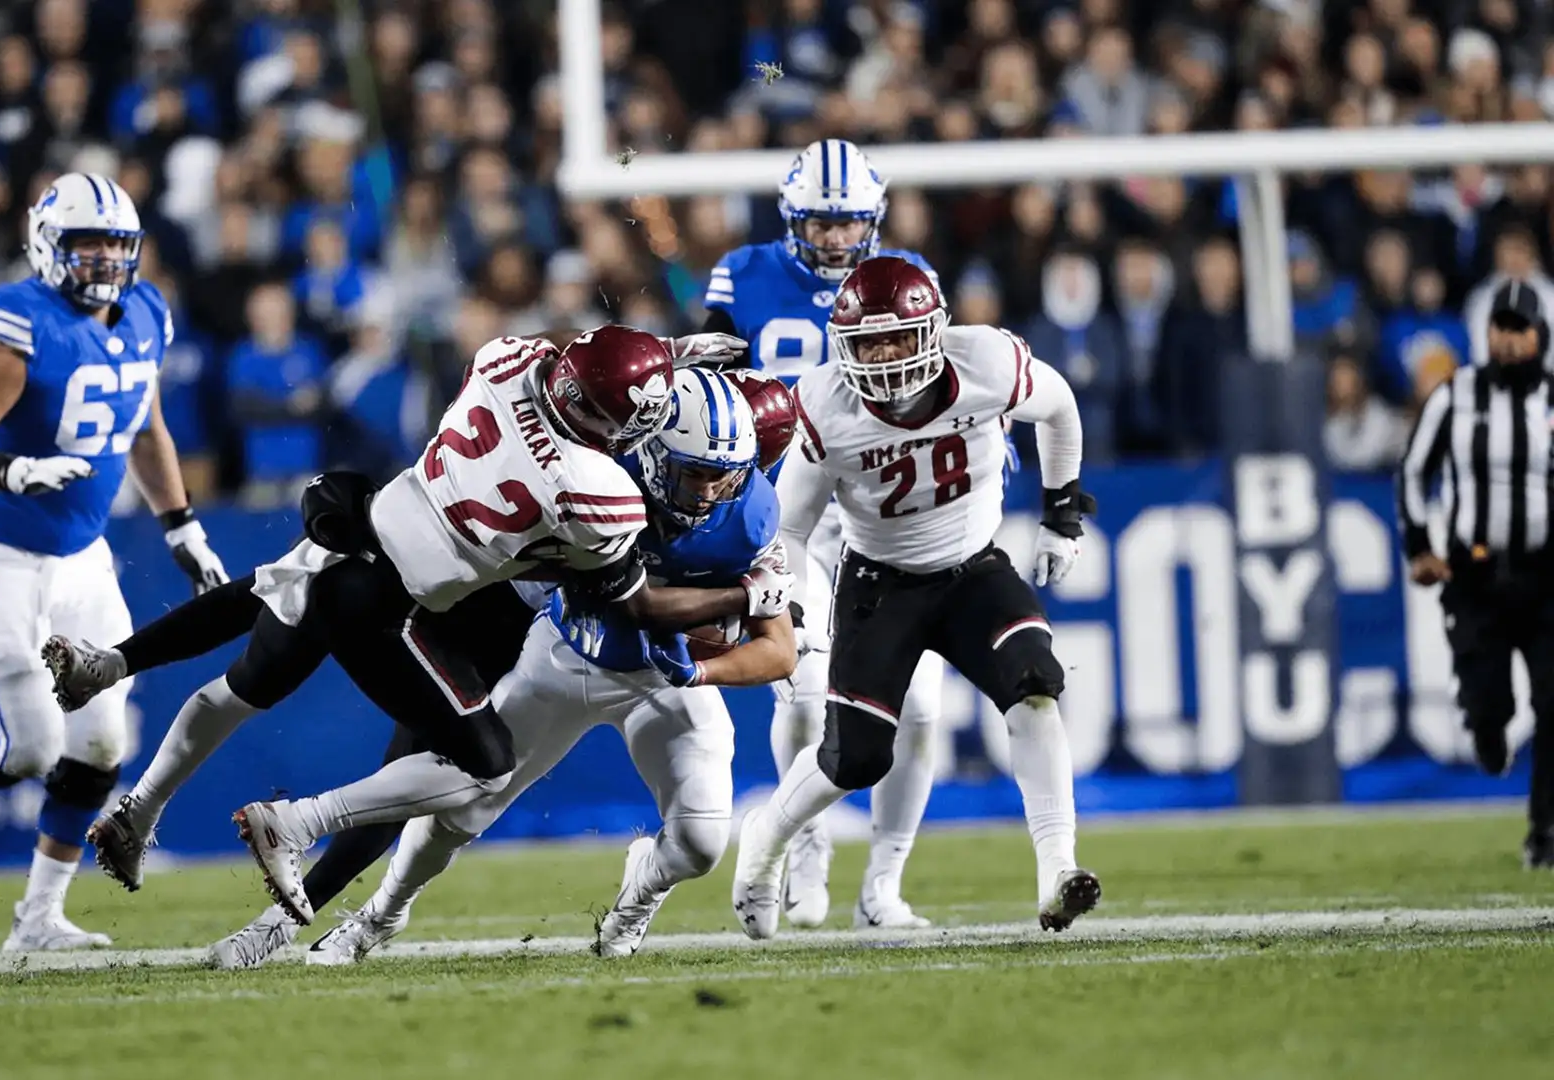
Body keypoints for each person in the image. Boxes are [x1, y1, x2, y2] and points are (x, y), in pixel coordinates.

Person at [43, 327, 782, 929]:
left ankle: (123, 721)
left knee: (249, 673)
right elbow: (640, 603)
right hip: (410, 608)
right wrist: (742, 595)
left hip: (366, 521)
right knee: (471, 765)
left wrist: (666, 359)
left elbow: (564, 368)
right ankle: (293, 830)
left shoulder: (510, 361)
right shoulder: (600, 494)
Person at [234, 368, 799, 967]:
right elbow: (637, 600)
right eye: (699, 474)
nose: (713, 493)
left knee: (701, 844)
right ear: (656, 451)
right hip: (563, 654)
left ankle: (638, 897)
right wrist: (737, 598)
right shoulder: (600, 471)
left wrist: (698, 673)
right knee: (461, 805)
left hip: (660, 680)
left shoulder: (751, 513)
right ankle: (379, 915)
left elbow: (779, 648)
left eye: (728, 476)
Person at [0, 173, 229, 952]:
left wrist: (181, 528)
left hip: (82, 555)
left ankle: (38, 920)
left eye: (115, 245)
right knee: (28, 747)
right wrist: (10, 469)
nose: (101, 260)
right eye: (85, 243)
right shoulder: (19, 320)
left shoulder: (146, 312)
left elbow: (147, 427)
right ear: (45, 243)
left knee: (101, 745)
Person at [731, 256, 1102, 940]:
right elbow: (789, 524)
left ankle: (1058, 867)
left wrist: (1061, 514)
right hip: (881, 585)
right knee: (858, 758)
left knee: (1036, 682)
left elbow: (1059, 408)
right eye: (868, 344)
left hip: (972, 571)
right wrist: (798, 606)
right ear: (842, 346)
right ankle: (767, 836)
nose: (884, 357)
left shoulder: (987, 362)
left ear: (933, 331)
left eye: (898, 338)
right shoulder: (826, 404)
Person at [700, 137, 941, 930]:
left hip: (885, 509)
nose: (837, 238)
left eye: (848, 222)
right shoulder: (743, 275)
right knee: (803, 699)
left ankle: (886, 883)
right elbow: (713, 391)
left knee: (921, 710)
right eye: (822, 222)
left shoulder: (907, 280)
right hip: (787, 514)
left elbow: (942, 388)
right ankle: (805, 848)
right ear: (792, 219)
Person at [1400, 281, 1554, 869]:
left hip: (1545, 578)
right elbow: (1415, 472)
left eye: (1520, 328)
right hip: (1477, 577)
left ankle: (1545, 831)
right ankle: (1490, 731)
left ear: (1540, 334)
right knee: (1489, 707)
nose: (1509, 341)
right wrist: (1420, 546)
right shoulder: (1455, 395)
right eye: (1501, 328)